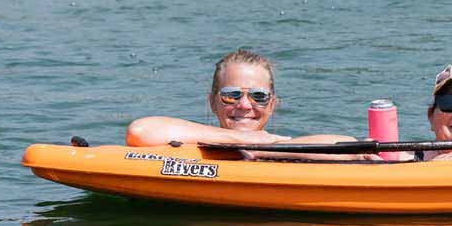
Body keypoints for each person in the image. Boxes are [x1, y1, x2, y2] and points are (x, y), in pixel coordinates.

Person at [125, 49, 357, 148]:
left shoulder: (277, 145)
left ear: (272, 105)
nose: (245, 105)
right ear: (212, 102)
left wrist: (270, 146)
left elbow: (347, 143)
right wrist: (235, 139)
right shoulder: (190, 141)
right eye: (231, 95)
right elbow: (141, 131)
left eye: (259, 96)